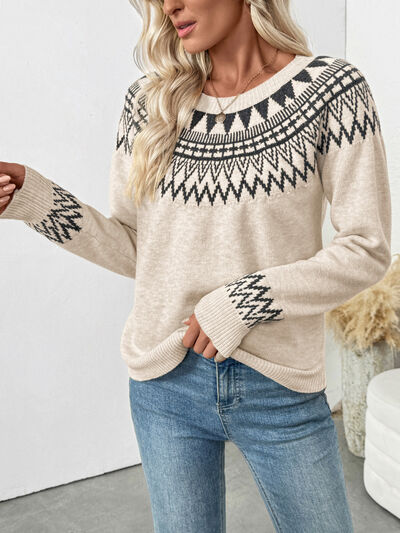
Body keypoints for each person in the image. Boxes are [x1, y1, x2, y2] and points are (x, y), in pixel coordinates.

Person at [0, 0, 392, 531]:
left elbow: (366, 247)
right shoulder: (148, 105)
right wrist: (34, 199)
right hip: (166, 385)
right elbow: (140, 251)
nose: (169, 6)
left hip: (280, 388)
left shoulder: (331, 91)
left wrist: (242, 302)